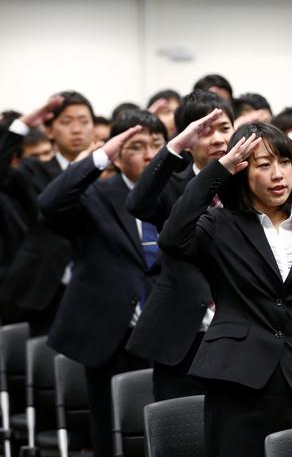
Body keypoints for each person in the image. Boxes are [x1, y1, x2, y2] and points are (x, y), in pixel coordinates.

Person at [158, 121, 292, 457]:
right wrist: (218, 170)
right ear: (241, 172)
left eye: (284, 163)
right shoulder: (218, 224)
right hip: (238, 379)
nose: (278, 175)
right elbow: (172, 238)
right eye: (264, 165)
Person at [38, 109, 167, 457]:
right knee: (112, 433)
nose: (149, 154)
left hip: (167, 334)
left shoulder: (177, 195)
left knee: (167, 428)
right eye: (137, 146)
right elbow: (50, 204)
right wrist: (98, 158)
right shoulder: (97, 195)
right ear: (118, 154)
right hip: (112, 335)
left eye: (157, 144)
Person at [125, 89, 234, 401]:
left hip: (237, 335)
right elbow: (137, 203)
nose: (217, 139)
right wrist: (173, 147)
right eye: (205, 131)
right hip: (181, 334)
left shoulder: (249, 183)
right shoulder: (173, 185)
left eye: (224, 128)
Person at [1, 92, 96, 335]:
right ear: (50, 131)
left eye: (84, 121)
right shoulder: (34, 170)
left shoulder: (106, 173)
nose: (76, 129)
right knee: (44, 365)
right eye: (66, 122)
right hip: (46, 288)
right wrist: (22, 125)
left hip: (96, 289)